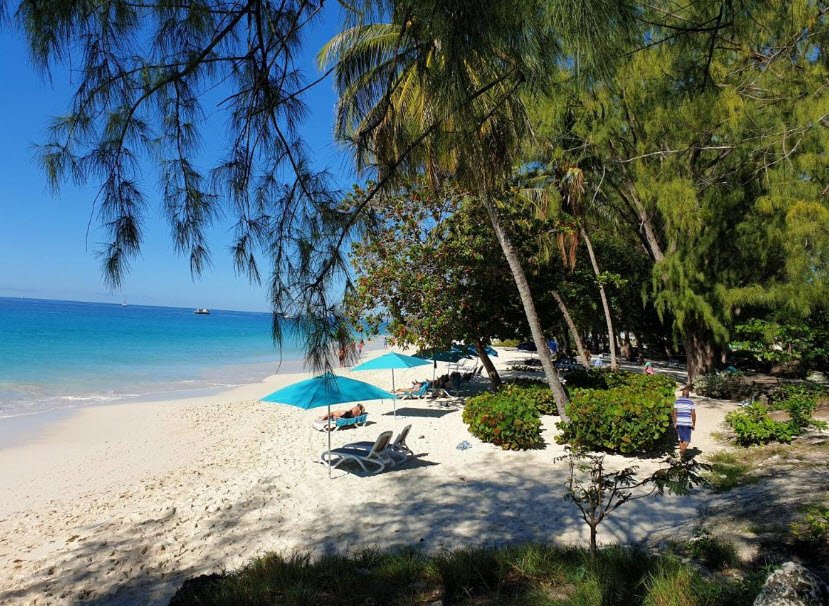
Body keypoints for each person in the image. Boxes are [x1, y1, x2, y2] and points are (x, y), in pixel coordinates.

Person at [673, 385, 696, 458]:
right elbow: (693, 414)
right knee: (687, 440)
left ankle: (682, 455)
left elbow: (674, 413)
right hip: (687, 423)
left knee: (681, 439)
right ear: (688, 394)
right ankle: (682, 451)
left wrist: (674, 423)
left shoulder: (677, 401)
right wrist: (694, 424)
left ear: (682, 393)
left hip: (679, 422)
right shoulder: (691, 402)